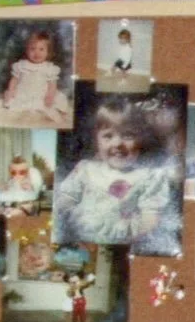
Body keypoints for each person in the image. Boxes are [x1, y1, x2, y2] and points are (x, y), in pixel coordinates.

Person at [53, 96, 180, 253]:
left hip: (123, 245)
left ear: (140, 139)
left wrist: (126, 241)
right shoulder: (85, 170)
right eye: (108, 136)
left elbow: (150, 220)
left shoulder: (148, 177)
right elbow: (64, 202)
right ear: (97, 140)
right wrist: (74, 226)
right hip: (82, 240)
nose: (117, 143)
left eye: (127, 135)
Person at [1, 27, 65, 127]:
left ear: (48, 52)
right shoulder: (21, 65)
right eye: (32, 49)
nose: (37, 53)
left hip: (42, 93)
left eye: (41, 49)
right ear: (27, 50)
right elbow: (14, 79)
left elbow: (52, 84)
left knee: (51, 103)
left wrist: (50, 96)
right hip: (24, 92)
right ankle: (9, 98)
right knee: (11, 99)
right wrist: (11, 90)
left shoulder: (49, 68)